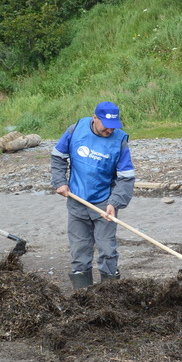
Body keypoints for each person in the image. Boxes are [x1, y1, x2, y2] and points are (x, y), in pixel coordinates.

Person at [51, 102, 136, 288]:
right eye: (106, 124)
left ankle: (110, 292)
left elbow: (127, 178)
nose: (110, 129)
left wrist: (114, 203)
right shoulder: (75, 130)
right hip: (76, 201)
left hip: (104, 204)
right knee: (79, 249)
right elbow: (58, 157)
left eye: (114, 125)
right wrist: (60, 182)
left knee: (107, 249)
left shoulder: (119, 141)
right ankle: (83, 295)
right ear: (95, 118)